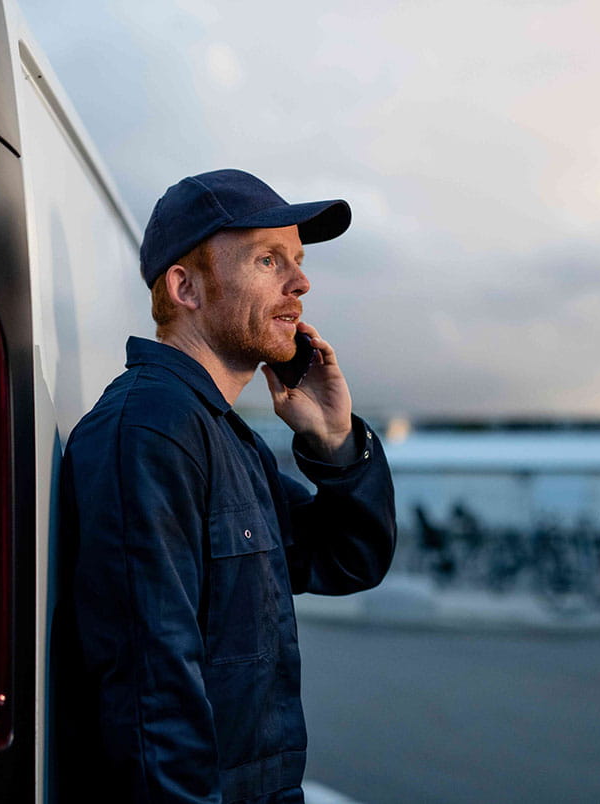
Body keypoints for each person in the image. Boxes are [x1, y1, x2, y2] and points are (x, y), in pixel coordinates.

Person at [57, 169, 397, 803]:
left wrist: (335, 443)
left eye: (297, 261)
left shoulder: (222, 436)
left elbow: (347, 558)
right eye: (269, 259)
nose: (301, 283)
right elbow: (150, 696)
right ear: (185, 286)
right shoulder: (152, 430)